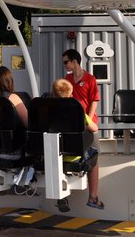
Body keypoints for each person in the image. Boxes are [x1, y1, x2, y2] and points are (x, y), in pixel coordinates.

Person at [62, 48, 104, 210]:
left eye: (66, 62)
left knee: (94, 157)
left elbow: (94, 100)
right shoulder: (67, 79)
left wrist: (87, 119)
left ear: (75, 61)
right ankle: (63, 195)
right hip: (72, 126)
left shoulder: (90, 79)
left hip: (87, 124)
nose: (65, 65)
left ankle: (93, 196)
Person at [51, 77, 100, 213]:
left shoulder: (48, 112)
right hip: (74, 157)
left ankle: (61, 196)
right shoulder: (77, 112)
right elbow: (94, 128)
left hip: (52, 157)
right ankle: (93, 196)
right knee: (94, 155)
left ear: (53, 95)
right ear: (71, 95)